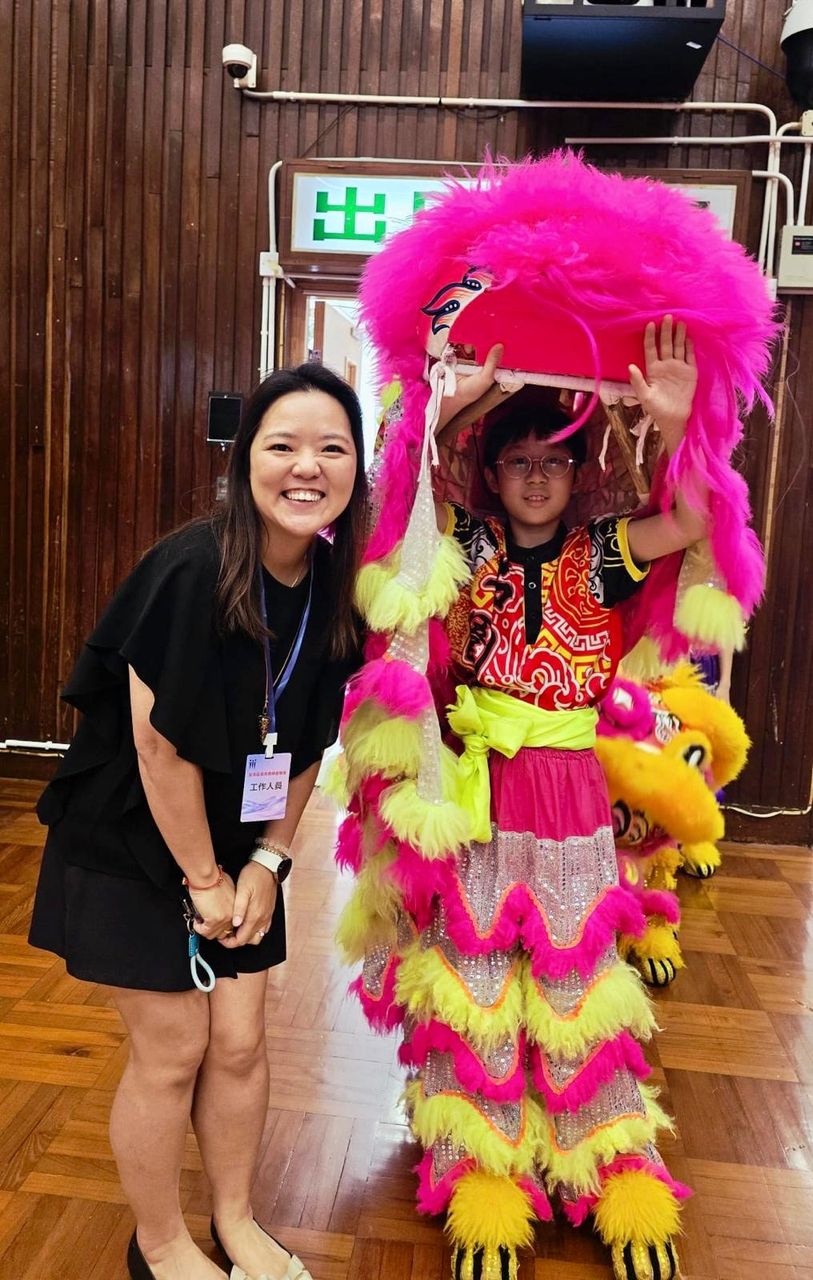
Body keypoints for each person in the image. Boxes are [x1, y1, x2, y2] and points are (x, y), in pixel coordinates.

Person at [28, 364, 367, 1280]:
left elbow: (307, 745)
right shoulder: (191, 569)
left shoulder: (334, 586)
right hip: (133, 838)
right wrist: (208, 881)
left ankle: (236, 1221)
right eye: (282, 445)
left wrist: (269, 862)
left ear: (356, 468)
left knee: (243, 1041)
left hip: (236, 843)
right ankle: (160, 1244)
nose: (307, 467)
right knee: (175, 1046)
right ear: (245, 459)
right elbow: (158, 749)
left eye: (332, 448)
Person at [399, 320, 701, 1280]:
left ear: (578, 473)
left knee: (574, 975)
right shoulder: (464, 541)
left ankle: (603, 1158)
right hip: (477, 784)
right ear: (490, 475)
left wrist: (679, 424)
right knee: (477, 973)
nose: (535, 477)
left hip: (569, 791)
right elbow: (393, 514)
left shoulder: (603, 550)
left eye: (553, 461)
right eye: (517, 461)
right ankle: (482, 1166)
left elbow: (694, 521)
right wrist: (441, 412)